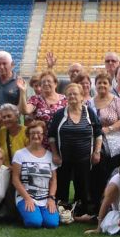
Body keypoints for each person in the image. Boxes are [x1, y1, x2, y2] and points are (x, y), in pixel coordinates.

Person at [49, 83, 103, 216]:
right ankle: (62, 210)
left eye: (75, 94)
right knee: (62, 186)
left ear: (81, 97)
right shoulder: (60, 114)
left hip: (85, 157)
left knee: (83, 186)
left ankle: (81, 210)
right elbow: (51, 136)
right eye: (69, 94)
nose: (72, 96)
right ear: (66, 97)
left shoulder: (89, 112)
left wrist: (97, 152)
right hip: (63, 158)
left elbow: (98, 133)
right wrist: (55, 154)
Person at [89, 72, 120, 210]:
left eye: (105, 83)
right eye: (99, 82)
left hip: (115, 146)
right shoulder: (90, 102)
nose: (102, 85)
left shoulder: (116, 101)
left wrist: (109, 129)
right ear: (95, 85)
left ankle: (113, 206)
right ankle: (97, 206)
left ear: (110, 85)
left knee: (113, 175)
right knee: (97, 176)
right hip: (95, 145)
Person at [12, 120, 59, 228]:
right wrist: (27, 198)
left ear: (43, 135)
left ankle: (38, 213)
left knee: (52, 223)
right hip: (25, 197)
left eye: (39, 133)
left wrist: (51, 198)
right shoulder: (20, 154)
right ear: (28, 135)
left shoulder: (49, 155)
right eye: (32, 133)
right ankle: (27, 213)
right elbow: (15, 179)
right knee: (35, 223)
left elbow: (53, 180)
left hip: (45, 198)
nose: (36, 136)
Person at [17, 71, 67, 147]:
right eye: (43, 82)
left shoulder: (65, 99)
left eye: (49, 81)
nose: (46, 83)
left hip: (63, 142)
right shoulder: (35, 99)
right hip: (42, 144)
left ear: (55, 84)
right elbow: (25, 110)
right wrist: (22, 91)